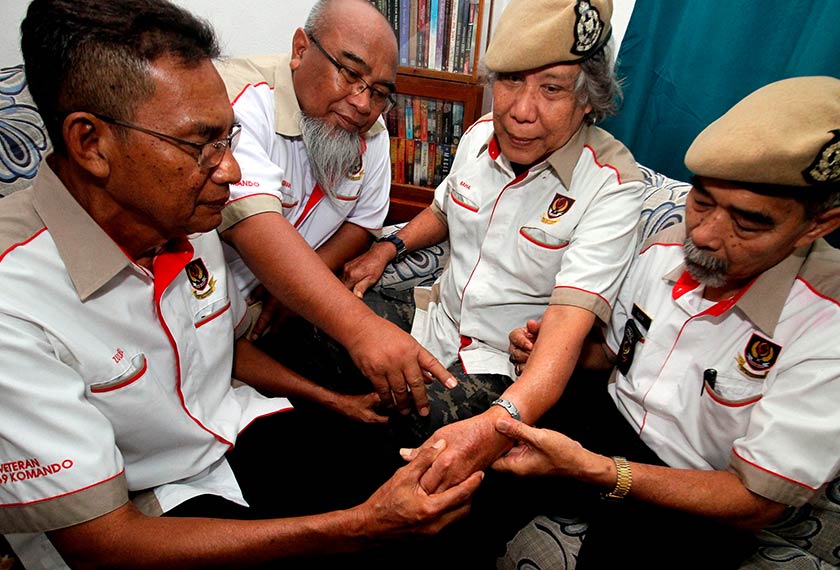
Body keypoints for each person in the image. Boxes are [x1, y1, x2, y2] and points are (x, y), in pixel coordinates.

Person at [0, 1, 482, 568]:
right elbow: (102, 543)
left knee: (425, 479)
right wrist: (358, 528)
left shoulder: (188, 214)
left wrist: (334, 403)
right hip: (145, 511)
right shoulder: (16, 303)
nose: (230, 172)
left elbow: (224, 352)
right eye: (202, 143)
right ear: (90, 143)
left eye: (228, 140)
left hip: (234, 432)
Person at [499, 75, 840, 569]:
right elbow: (616, 352)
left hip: (696, 487)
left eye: (747, 222)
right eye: (701, 201)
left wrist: (600, 472)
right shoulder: (665, 247)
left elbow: (756, 501)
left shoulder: (826, 325)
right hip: (605, 419)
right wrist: (555, 349)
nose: (703, 234)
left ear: (816, 225)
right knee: (477, 477)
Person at [343, 0, 645, 490]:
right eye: (509, 82)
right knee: (325, 321)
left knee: (417, 437)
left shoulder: (613, 186)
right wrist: (386, 248)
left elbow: (568, 331)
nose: (521, 112)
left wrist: (495, 425)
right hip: (435, 317)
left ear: (588, 100)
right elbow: (445, 209)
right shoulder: (481, 134)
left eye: (551, 89)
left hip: (502, 369)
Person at [212, 0, 455, 421]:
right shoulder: (238, 103)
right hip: (211, 312)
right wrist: (363, 329)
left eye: (379, 92)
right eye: (350, 73)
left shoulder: (373, 136)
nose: (363, 104)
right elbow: (255, 224)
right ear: (301, 48)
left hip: (280, 312)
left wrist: (295, 291)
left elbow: (363, 224)